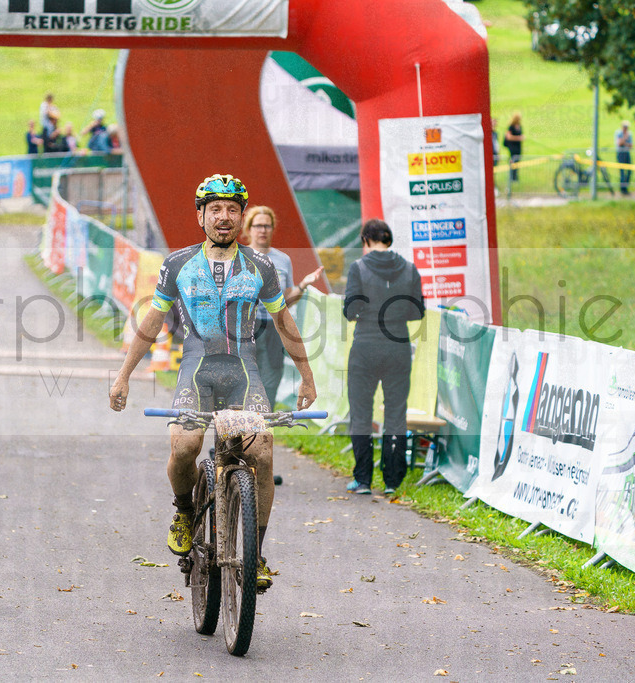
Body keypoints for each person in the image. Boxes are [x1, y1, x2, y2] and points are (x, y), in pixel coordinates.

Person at [108, 174, 318, 591]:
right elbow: (153, 320)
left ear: (242, 216)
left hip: (244, 371)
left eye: (233, 209)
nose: (224, 217)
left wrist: (307, 377)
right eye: (215, 209)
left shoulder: (262, 267)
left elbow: (283, 321)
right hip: (197, 368)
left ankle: (255, 555)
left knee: (262, 449)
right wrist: (124, 375)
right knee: (184, 445)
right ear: (200, 215)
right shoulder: (178, 263)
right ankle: (185, 510)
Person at [342, 219, 424, 496]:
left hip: (365, 347)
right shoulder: (410, 269)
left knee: (361, 414)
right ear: (388, 240)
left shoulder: (358, 268)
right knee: (396, 414)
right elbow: (418, 311)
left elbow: (350, 310)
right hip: (398, 347)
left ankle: (363, 479)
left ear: (366, 240)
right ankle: (392, 481)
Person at [241, 205, 323, 407]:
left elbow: (286, 299)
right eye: (258, 225)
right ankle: (238, 426)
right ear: (249, 228)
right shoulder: (238, 256)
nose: (263, 230)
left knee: (270, 379)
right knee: (243, 378)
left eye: (267, 226)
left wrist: (303, 285)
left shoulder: (282, 259)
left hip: (273, 327)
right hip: (244, 326)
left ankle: (263, 422)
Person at [503, 113, 523, 182]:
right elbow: (508, 137)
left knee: (517, 162)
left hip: (518, 148)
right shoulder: (511, 127)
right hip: (513, 148)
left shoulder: (519, 126)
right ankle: (512, 177)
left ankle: (515, 177)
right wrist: (518, 138)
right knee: (513, 162)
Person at [616, 120, 633, 195]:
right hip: (620, 153)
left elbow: (631, 145)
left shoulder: (630, 134)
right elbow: (619, 143)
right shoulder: (619, 133)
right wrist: (625, 138)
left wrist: (624, 142)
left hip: (627, 153)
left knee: (629, 171)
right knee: (622, 172)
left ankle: (626, 187)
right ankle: (622, 188)